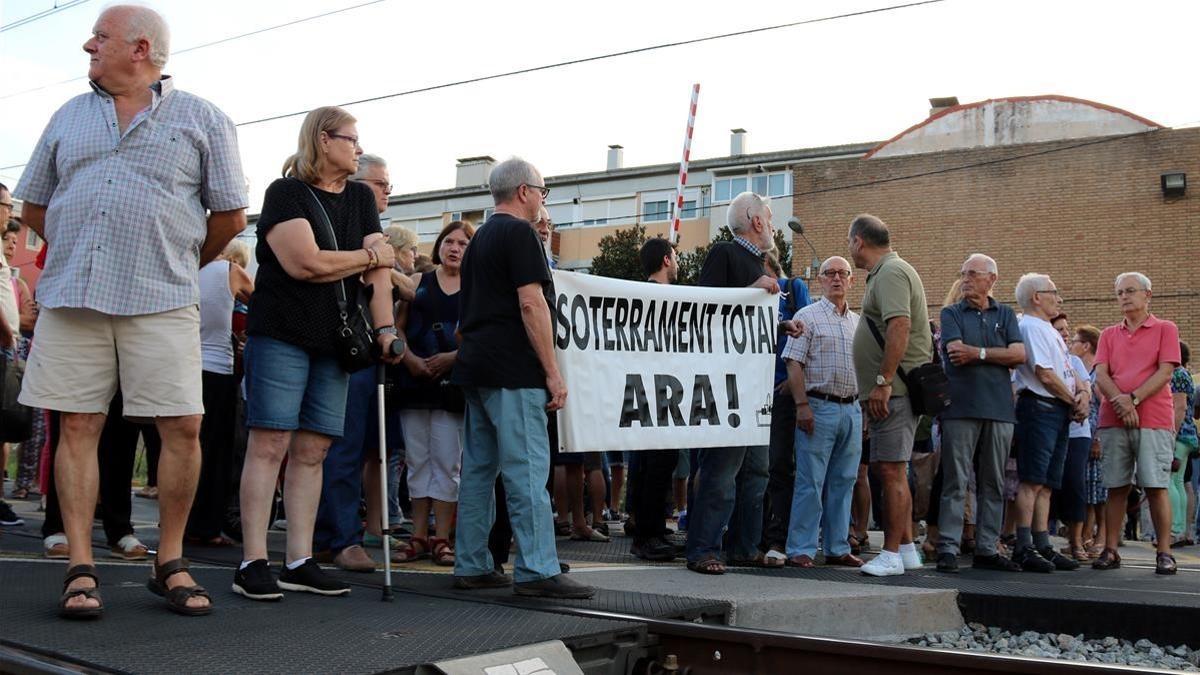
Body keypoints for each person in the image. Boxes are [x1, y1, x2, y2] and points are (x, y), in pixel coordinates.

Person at [14, 5, 248, 618]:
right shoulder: (68, 115)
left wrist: (171, 256)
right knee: (79, 426)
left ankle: (168, 560)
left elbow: (228, 218)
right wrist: (79, 246)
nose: (88, 46)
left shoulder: (203, 119)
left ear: (141, 49)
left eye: (100, 37)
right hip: (74, 295)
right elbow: (36, 203)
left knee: (182, 428)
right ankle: (79, 565)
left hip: (163, 296)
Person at [235, 106, 400, 601]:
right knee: (270, 444)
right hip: (283, 332)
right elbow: (303, 263)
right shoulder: (285, 193)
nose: (358, 147)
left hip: (336, 340)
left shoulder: (359, 200)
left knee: (314, 450)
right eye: (351, 139)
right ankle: (252, 560)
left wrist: (387, 329)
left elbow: (379, 274)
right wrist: (372, 256)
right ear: (324, 141)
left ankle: (300, 559)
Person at [450, 157, 593, 599]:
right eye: (543, 192)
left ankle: (472, 562)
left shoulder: (480, 240)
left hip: (476, 367)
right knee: (527, 470)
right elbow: (531, 304)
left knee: (478, 470)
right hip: (514, 369)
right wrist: (553, 373)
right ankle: (537, 569)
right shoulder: (520, 234)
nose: (542, 201)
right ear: (525, 192)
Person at [684, 191, 800, 575]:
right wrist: (754, 290)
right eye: (769, 216)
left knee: (756, 472)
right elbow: (706, 309)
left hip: (754, 385)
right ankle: (703, 548)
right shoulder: (724, 254)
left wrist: (781, 325)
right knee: (722, 469)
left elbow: (744, 324)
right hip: (728, 384)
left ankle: (743, 546)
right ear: (754, 219)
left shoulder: (758, 263)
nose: (772, 224)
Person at [312, 157, 408, 573]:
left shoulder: (375, 237)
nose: (387, 191)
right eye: (380, 183)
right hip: (344, 344)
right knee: (342, 447)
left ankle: (329, 533)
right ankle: (339, 537)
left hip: (368, 345)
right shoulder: (342, 225)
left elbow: (392, 281)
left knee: (355, 448)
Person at [847, 214, 931, 577]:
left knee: (892, 472)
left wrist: (882, 381)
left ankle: (892, 554)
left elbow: (900, 325)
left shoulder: (892, 272)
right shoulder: (886, 273)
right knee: (893, 468)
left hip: (894, 392)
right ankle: (908, 548)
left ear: (858, 241)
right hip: (890, 391)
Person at [934, 254, 1026, 573]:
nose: (966, 279)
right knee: (956, 481)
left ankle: (987, 548)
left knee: (993, 482)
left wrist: (979, 353)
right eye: (963, 273)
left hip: (1000, 410)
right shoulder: (951, 313)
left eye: (973, 274)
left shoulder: (1007, 314)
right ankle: (948, 545)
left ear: (992, 279)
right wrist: (995, 355)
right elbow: (955, 352)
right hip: (960, 408)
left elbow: (1020, 354)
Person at [395, 221, 472, 565]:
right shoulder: (417, 281)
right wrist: (409, 359)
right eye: (449, 241)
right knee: (417, 461)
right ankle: (418, 536)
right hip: (413, 382)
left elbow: (479, 334)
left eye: (463, 243)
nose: (455, 248)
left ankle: (442, 537)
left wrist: (451, 359)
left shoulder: (476, 287)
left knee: (447, 462)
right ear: (439, 245)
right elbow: (395, 325)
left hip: (451, 388)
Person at [1093, 272, 1180, 575]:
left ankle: (1165, 552)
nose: (1124, 297)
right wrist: (1121, 401)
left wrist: (1134, 399)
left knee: (1156, 485)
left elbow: (1165, 372)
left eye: (1130, 291)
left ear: (1148, 295)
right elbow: (1101, 374)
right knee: (1115, 486)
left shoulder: (1165, 329)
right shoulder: (1108, 335)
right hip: (1113, 417)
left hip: (1153, 417)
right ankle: (1110, 549)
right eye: (1119, 292)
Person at [780, 256, 862, 568]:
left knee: (844, 480)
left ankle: (837, 547)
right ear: (820, 280)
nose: (837, 278)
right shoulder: (807, 317)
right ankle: (800, 547)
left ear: (852, 281)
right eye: (830, 273)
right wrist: (802, 405)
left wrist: (862, 410)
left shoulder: (858, 323)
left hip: (851, 408)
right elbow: (793, 363)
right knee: (810, 481)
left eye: (843, 273)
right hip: (818, 406)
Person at [1010, 273, 1085, 573]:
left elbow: (1067, 368)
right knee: (1032, 480)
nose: (1059, 298)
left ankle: (1043, 544)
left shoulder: (1048, 329)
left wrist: (1084, 393)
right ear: (1036, 297)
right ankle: (1023, 545)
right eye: (1053, 292)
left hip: (1056, 409)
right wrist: (1072, 399)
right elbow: (1044, 373)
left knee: (1047, 484)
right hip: (1040, 408)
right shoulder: (1030, 327)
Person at [186, 241, 254, 546]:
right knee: (217, 453)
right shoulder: (230, 271)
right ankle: (208, 527)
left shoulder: (189, 271)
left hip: (187, 367)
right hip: (219, 369)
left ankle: (181, 521)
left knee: (185, 449)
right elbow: (263, 304)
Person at [626, 237, 683, 561]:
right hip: (655, 393)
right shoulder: (657, 296)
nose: (676, 263)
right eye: (674, 257)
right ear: (665, 259)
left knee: (657, 465)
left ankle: (654, 528)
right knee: (656, 466)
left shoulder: (642, 295)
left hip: (658, 390)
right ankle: (646, 535)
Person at [759, 251, 812, 565]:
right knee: (754, 470)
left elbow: (805, 333)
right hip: (750, 392)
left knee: (779, 464)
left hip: (781, 393)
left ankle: (777, 536)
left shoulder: (792, 287)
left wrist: (794, 384)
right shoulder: (747, 291)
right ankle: (753, 534)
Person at [1050, 313, 1094, 562]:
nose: (1065, 334)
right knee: (1047, 484)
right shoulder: (1044, 356)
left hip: (1078, 431)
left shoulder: (1074, 360)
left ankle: (1076, 541)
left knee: (1075, 485)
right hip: (1050, 428)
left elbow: (1085, 388)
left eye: (1067, 330)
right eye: (1060, 329)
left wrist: (1082, 399)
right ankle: (1041, 538)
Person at [1071, 325, 1107, 555]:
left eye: (1074, 341)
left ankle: (1101, 536)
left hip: (1096, 434)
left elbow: (1105, 406)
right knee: (1086, 488)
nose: (1070, 345)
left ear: (1086, 346)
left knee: (1100, 490)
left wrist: (1098, 439)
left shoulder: (1098, 373)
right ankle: (1085, 535)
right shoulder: (1078, 369)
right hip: (1083, 432)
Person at [1170, 343, 1196, 547]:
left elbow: (1179, 408)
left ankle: (1174, 530)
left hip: (1179, 436)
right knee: (1179, 482)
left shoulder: (1177, 375)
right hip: (1187, 436)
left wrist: (1171, 435)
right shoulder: (1184, 374)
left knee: (1171, 480)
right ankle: (1181, 530)